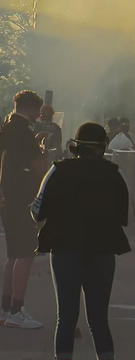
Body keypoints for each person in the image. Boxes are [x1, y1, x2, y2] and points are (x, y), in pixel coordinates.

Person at [30, 122, 130, 360]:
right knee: (98, 320)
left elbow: (37, 211)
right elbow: (126, 217)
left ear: (76, 145)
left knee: (66, 318)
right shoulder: (114, 173)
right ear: (102, 146)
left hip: (65, 250)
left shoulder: (57, 170)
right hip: (103, 251)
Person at [0, 90, 47, 329]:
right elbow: (39, 167)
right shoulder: (25, 132)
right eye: (37, 110)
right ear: (30, 108)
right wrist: (42, 150)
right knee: (26, 254)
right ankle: (16, 310)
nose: (39, 115)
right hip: (22, 199)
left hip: (7, 199)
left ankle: (5, 308)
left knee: (13, 255)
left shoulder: (5, 127)